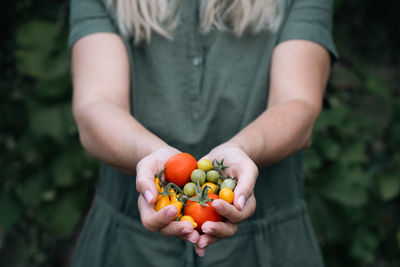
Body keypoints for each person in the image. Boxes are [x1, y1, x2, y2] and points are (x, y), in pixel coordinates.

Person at [68, 0, 338, 266]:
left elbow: (297, 103)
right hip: (126, 248)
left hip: (268, 247)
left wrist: (244, 150)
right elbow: (95, 105)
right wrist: (154, 159)